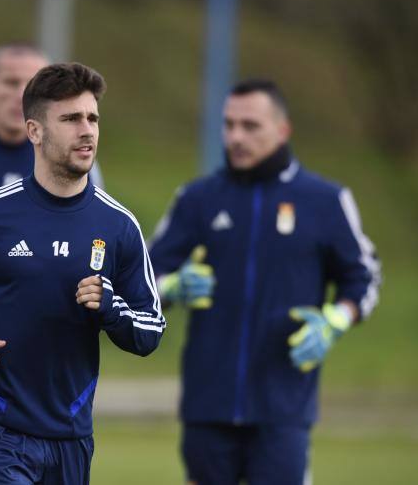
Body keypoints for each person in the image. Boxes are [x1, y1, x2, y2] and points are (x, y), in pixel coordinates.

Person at [0, 62, 165, 485]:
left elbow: (151, 331)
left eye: (93, 118)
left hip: (71, 436)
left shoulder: (119, 226)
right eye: (71, 119)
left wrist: (111, 309)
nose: (87, 130)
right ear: (35, 131)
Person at [148, 79, 381, 484]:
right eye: (229, 124)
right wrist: (169, 288)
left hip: (283, 408)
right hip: (208, 405)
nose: (236, 137)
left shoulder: (325, 200)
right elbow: (142, 275)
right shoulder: (197, 199)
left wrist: (335, 321)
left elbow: (364, 277)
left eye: (250, 126)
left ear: (282, 129)